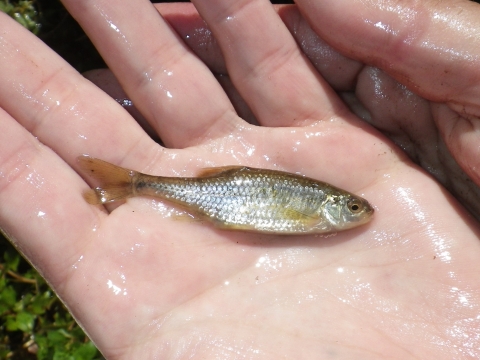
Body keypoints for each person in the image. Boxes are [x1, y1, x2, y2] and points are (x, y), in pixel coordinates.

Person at [0, 0, 479, 357]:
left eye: (355, 207)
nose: (358, 213)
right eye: (352, 207)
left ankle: (128, 185)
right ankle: (130, 184)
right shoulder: (317, 211)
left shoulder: (321, 212)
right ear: (333, 207)